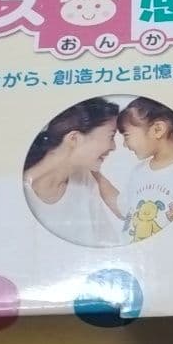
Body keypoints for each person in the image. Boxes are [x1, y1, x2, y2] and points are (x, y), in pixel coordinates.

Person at [23, 97, 124, 246]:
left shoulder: (85, 180)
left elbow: (107, 243)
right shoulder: (20, 190)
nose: (113, 147)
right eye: (111, 136)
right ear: (74, 138)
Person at [97, 97, 173, 243]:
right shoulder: (139, 172)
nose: (125, 144)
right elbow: (122, 207)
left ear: (158, 129)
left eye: (126, 136)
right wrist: (96, 175)